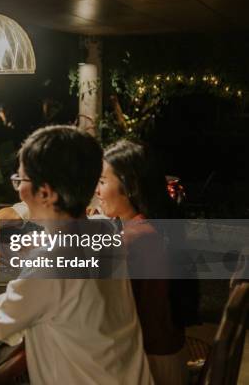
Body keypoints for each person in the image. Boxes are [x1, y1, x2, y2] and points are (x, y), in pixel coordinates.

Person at [0, 126, 153, 385]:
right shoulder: (105, 229)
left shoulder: (54, 261)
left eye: (20, 181)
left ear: (45, 192)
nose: (18, 190)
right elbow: (64, 282)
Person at [97, 140, 188, 385]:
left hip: (150, 367)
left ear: (130, 187)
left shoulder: (135, 238)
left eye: (103, 182)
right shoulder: (152, 226)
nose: (97, 191)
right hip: (167, 355)